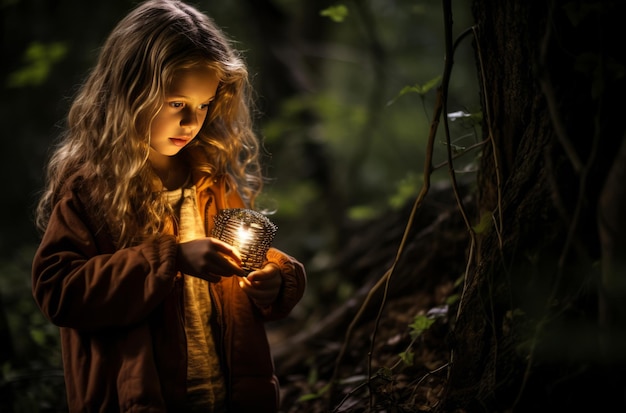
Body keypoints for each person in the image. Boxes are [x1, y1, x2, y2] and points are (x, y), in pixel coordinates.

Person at [31, 0, 306, 411]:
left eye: (203, 105)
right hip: (140, 397)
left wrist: (274, 279)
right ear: (130, 92)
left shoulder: (210, 179)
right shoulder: (91, 191)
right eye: (177, 103)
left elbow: (242, 264)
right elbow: (58, 290)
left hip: (227, 392)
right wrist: (170, 259)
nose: (191, 122)